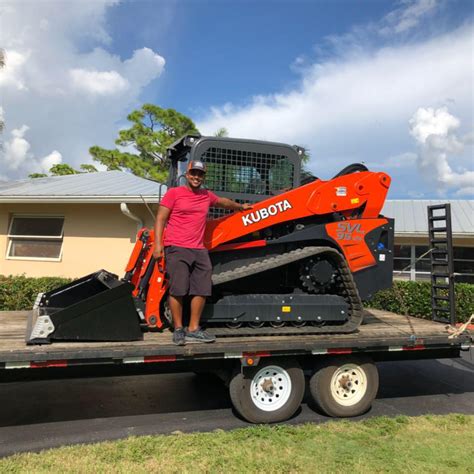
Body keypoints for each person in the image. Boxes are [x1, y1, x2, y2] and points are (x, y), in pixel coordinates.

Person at [153, 160, 252, 345]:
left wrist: (240, 207)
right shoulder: (174, 193)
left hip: (199, 249)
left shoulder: (206, 195)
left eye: (200, 174)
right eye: (193, 173)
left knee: (202, 289)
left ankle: (193, 329)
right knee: (178, 289)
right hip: (176, 247)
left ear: (203, 177)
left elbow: (223, 202)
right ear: (187, 174)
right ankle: (178, 329)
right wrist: (158, 245)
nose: (196, 177)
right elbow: (160, 218)